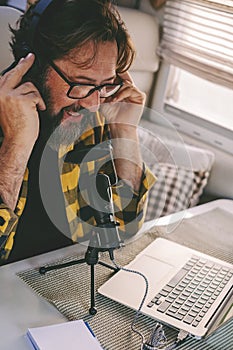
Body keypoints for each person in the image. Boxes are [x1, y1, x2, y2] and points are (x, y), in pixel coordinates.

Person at [0, 0, 155, 265]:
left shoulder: (91, 117)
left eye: (105, 85)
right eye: (81, 84)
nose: (93, 103)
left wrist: (125, 132)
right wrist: (15, 147)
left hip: (64, 287)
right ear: (33, 65)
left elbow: (122, 229)